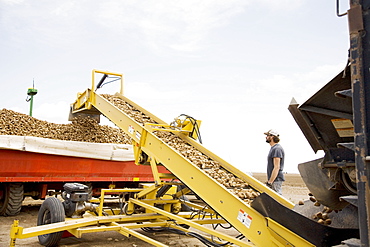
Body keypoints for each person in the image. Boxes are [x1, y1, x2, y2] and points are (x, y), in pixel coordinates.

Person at [264, 129, 285, 194]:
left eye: (267, 135)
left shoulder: (277, 149)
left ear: (272, 136)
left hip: (276, 180)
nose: (266, 137)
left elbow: (277, 167)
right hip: (274, 180)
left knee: (277, 198)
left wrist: (270, 181)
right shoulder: (273, 148)